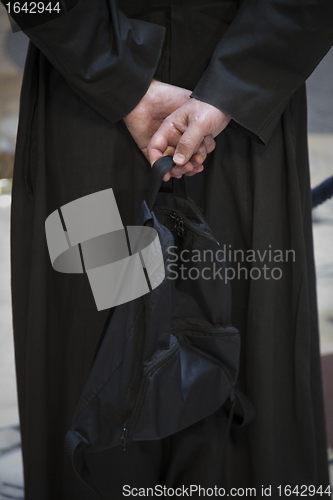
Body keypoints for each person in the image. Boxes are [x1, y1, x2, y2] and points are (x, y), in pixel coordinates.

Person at [3, 0, 333, 498]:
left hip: (236, 112)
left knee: (250, 366)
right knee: (94, 373)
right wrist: (119, 76)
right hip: (96, 103)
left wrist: (231, 84)